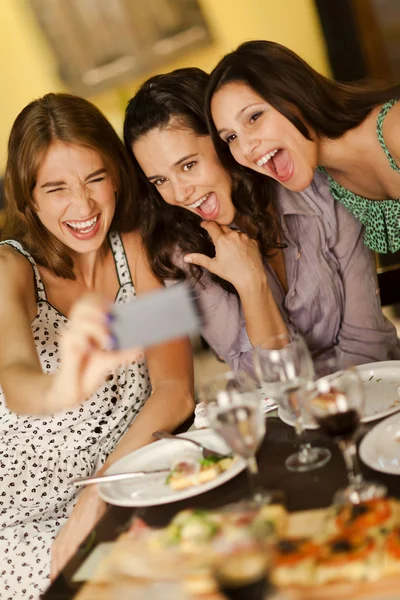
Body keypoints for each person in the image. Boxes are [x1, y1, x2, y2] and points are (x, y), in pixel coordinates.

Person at [0, 92, 194, 599]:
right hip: (18, 522)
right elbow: (16, 376)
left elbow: (175, 391)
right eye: (56, 188)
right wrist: (61, 387)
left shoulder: (135, 247)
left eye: (95, 178)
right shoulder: (10, 270)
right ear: (29, 199)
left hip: (120, 487)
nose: (83, 206)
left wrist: (100, 493)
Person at [123, 67, 400, 379]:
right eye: (160, 180)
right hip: (288, 416)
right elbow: (262, 380)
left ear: (224, 143)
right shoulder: (183, 255)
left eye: (188, 165)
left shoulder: (317, 186)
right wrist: (251, 285)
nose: (179, 193)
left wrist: (328, 407)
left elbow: (369, 344)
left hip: (375, 390)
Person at [204, 40, 400, 254]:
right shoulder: (329, 182)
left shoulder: (395, 129)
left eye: (254, 117)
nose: (246, 148)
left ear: (295, 93)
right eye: (231, 137)